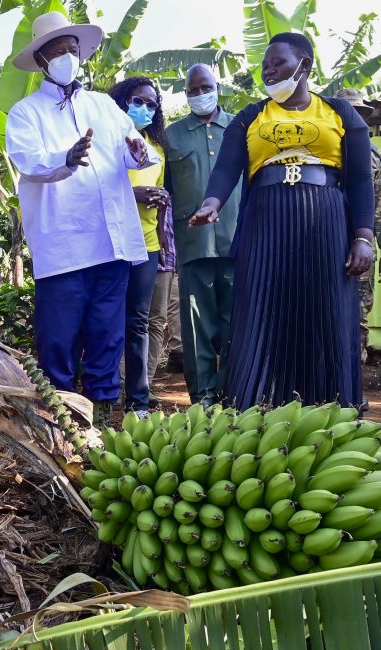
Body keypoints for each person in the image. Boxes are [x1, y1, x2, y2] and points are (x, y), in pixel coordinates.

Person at [190, 33, 375, 409]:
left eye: (278, 63)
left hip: (325, 221)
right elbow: (227, 169)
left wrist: (364, 236)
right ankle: (251, 408)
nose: (269, 71)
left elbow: (359, 179)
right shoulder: (251, 116)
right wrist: (212, 203)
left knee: (325, 313)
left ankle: (331, 408)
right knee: (259, 310)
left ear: (304, 65)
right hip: (265, 221)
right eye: (265, 66)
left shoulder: (339, 112)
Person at [5, 11, 155, 428]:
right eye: (58, 51)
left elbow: (134, 147)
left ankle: (103, 417)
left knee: (108, 334)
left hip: (111, 241)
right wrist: (65, 158)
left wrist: (137, 153)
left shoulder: (103, 105)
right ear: (41, 61)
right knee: (59, 339)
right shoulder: (26, 113)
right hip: (64, 245)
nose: (68, 57)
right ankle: (61, 422)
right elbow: (28, 162)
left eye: (73, 49)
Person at [166, 64, 241, 407]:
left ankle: (237, 392)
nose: (200, 94)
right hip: (193, 245)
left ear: (217, 87)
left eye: (205, 87)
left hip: (237, 241)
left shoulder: (241, 128)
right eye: (193, 90)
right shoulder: (172, 135)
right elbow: (164, 191)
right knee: (197, 328)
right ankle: (204, 397)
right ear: (186, 94)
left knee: (236, 324)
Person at [108, 76, 168, 415]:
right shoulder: (107, 142)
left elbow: (159, 196)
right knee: (108, 318)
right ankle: (104, 392)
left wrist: (159, 207)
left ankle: (139, 400)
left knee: (138, 321)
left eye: (150, 104)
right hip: (111, 243)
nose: (143, 108)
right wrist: (135, 195)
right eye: (137, 101)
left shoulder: (157, 151)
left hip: (146, 245)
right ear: (121, 101)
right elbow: (94, 190)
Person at [336, 89, 381, 363]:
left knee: (359, 313)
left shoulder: (374, 156)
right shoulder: (319, 148)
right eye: (349, 111)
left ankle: (352, 380)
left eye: (359, 113)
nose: (355, 117)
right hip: (326, 242)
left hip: (361, 249)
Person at [147, 201, 183, 399]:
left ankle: (145, 383)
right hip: (135, 254)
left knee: (156, 323)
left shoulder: (172, 179)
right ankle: (122, 382)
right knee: (132, 322)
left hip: (166, 260)